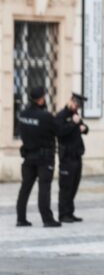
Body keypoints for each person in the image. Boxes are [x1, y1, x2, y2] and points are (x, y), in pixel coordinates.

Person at [16, 86, 63, 227]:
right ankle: (47, 219)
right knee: (44, 188)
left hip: (28, 156)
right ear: (41, 99)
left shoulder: (23, 114)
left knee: (25, 187)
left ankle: (21, 218)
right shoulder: (46, 116)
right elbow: (59, 130)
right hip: (44, 157)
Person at [56, 92, 89, 223]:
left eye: (79, 106)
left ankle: (70, 212)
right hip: (67, 156)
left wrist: (84, 127)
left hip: (77, 155)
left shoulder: (75, 116)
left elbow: (86, 129)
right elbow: (60, 132)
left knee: (74, 185)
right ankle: (63, 214)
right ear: (70, 101)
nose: (77, 107)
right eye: (75, 104)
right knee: (66, 187)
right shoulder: (61, 116)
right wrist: (73, 124)